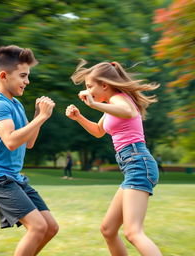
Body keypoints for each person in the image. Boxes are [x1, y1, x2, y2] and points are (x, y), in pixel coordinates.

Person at [66, 59, 162, 256]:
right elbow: (99, 131)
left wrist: (93, 104)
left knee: (133, 232)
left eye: (90, 86)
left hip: (138, 163)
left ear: (104, 84)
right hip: (132, 165)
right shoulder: (111, 104)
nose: (88, 91)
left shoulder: (121, 99)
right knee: (108, 230)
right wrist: (79, 117)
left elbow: (127, 111)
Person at [0, 45, 58, 256]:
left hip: (13, 177)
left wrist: (38, 116)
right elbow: (11, 141)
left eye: (27, 76)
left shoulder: (17, 105)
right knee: (38, 227)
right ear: (3, 75)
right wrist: (41, 117)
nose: (27, 81)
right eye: (23, 76)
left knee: (50, 227)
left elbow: (28, 143)